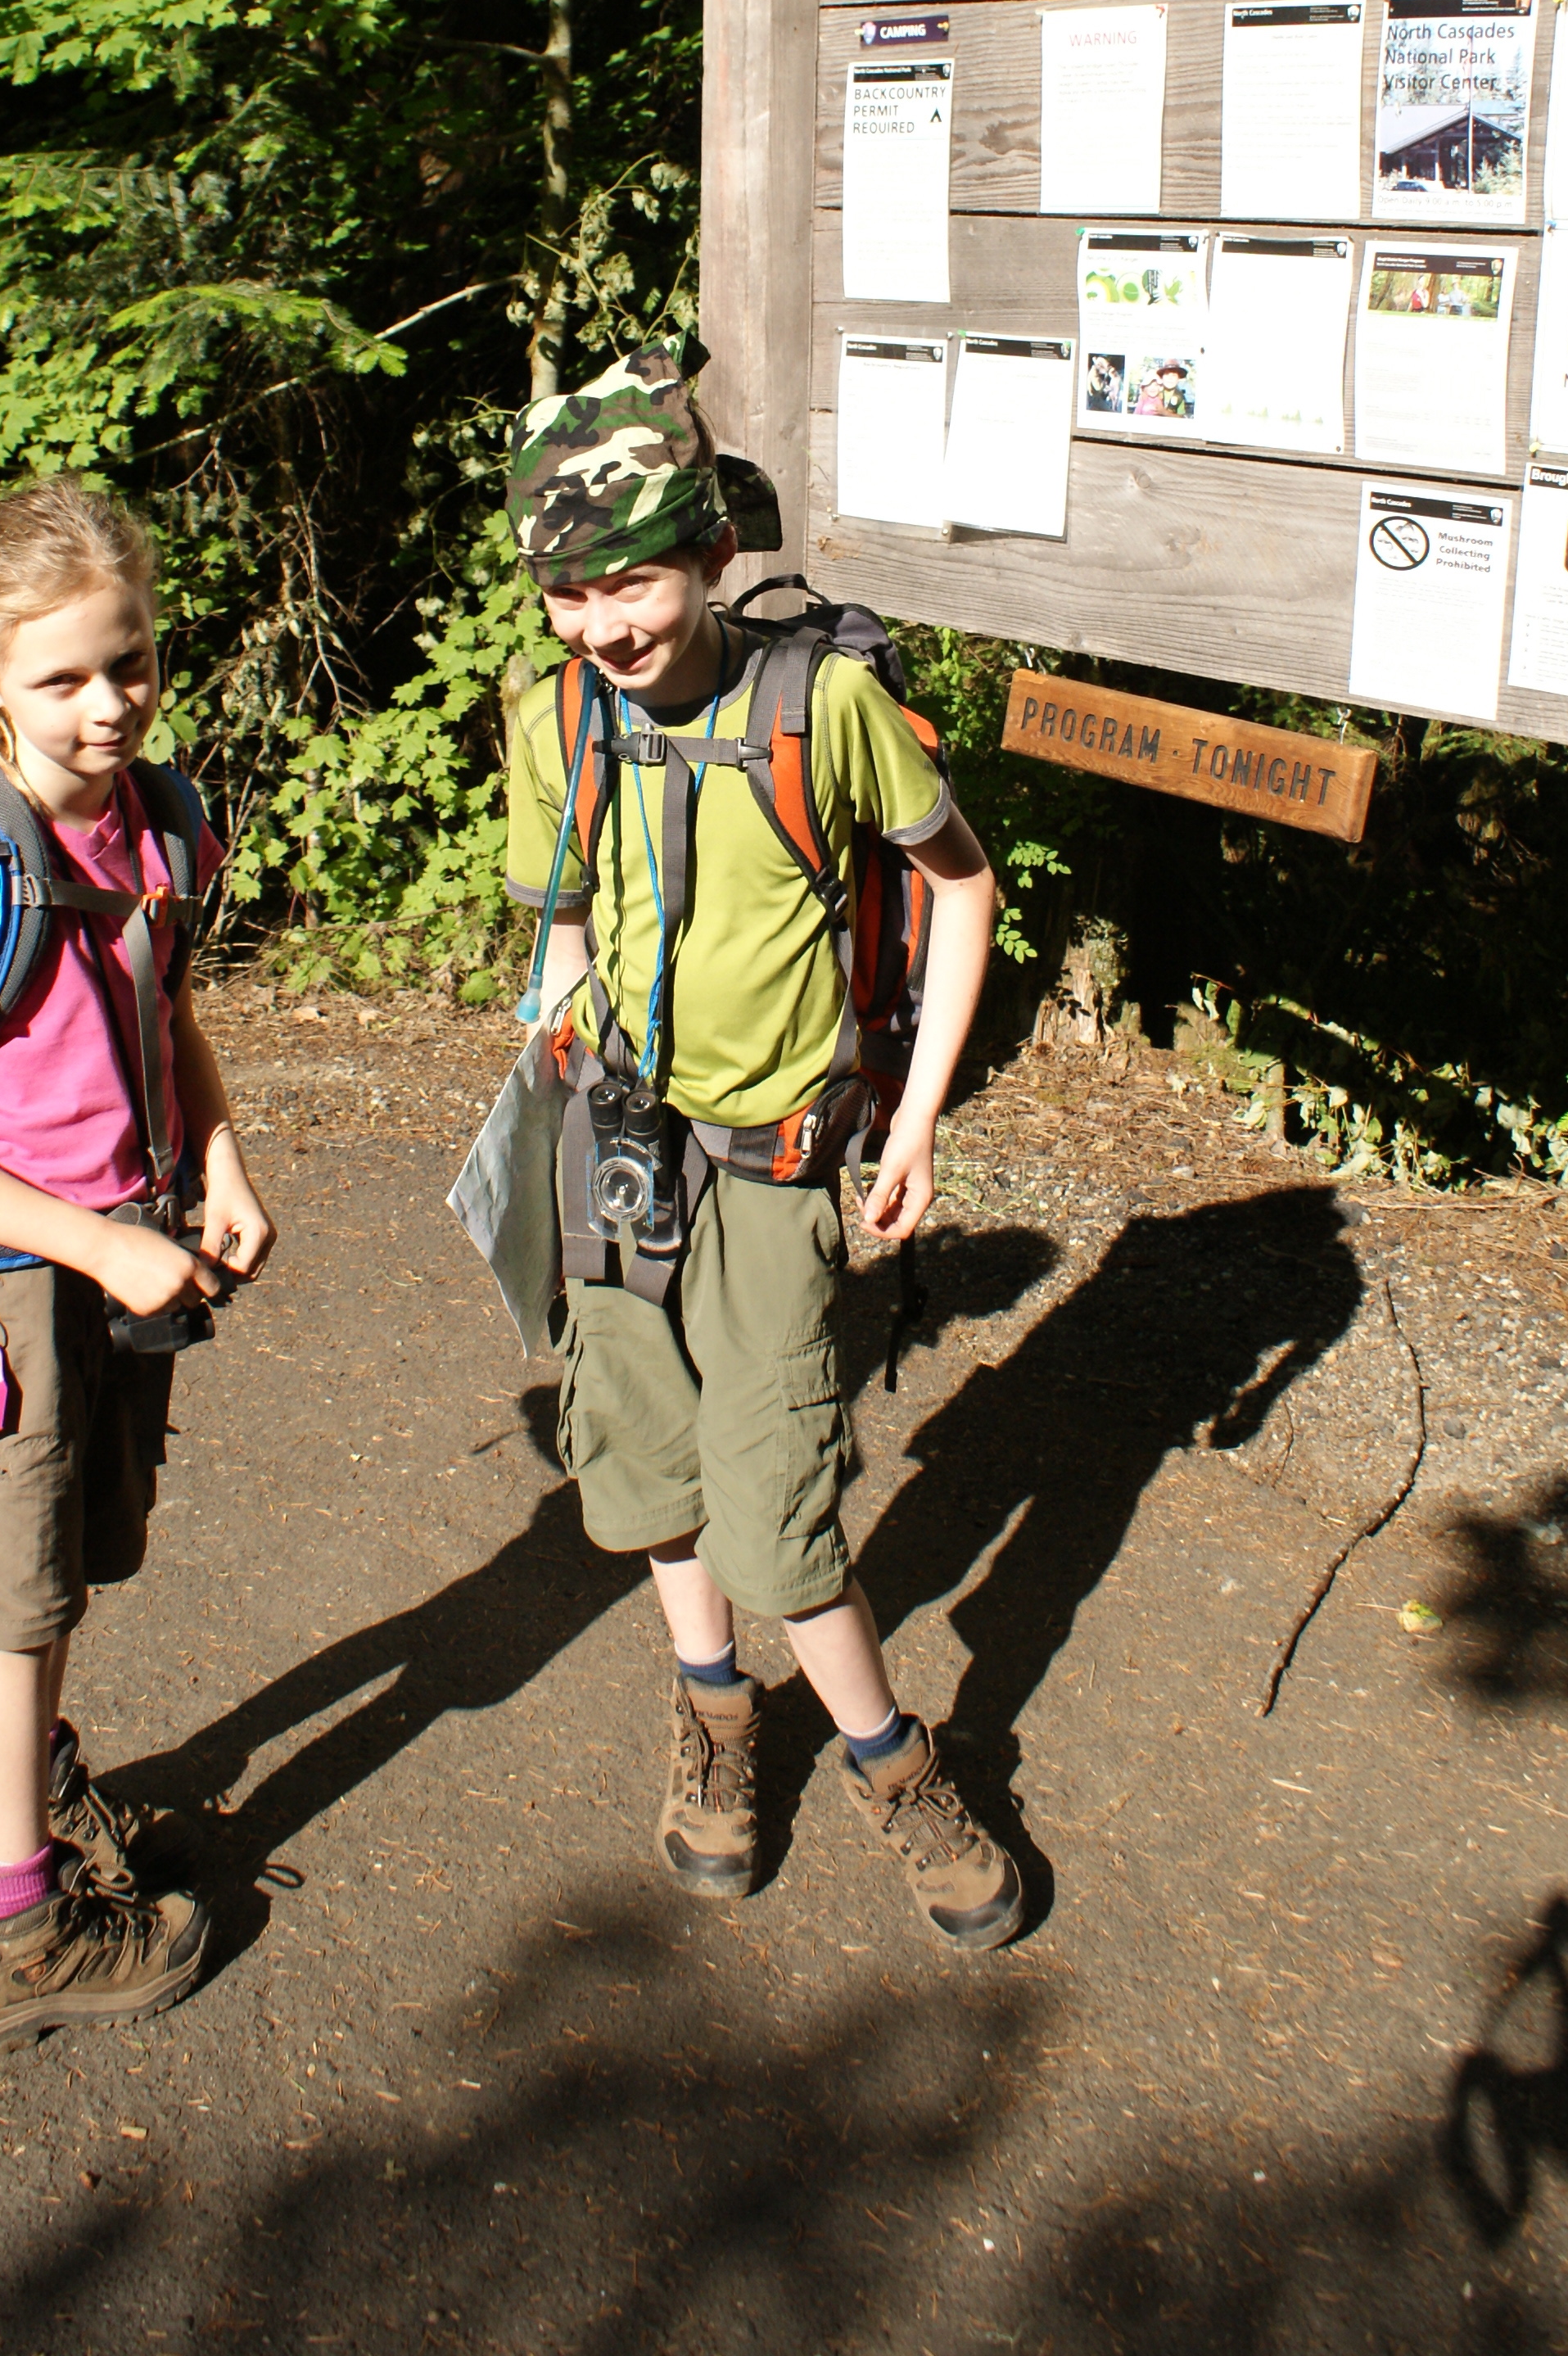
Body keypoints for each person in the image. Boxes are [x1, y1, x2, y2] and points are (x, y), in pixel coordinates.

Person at [503, 346, 1022, 1951]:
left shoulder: (827, 705)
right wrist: (548, 1079)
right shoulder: (554, 717)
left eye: (636, 581)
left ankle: (889, 1755)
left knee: (780, 1501)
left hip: (780, 1162)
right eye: (569, 596)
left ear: (712, 552)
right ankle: (715, 1712)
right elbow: (568, 921)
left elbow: (961, 881)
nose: (607, 626)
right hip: (616, 1140)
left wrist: (916, 1113)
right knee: (649, 1455)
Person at [0, 477, 276, 2052]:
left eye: (133, 662)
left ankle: (24, 1791)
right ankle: (17, 1937)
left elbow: (162, 1015)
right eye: (64, 678)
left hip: (116, 1260)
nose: (109, 704)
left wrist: (214, 1160)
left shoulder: (162, 818)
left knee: (57, 1577)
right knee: (4, 1617)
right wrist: (97, 1239)